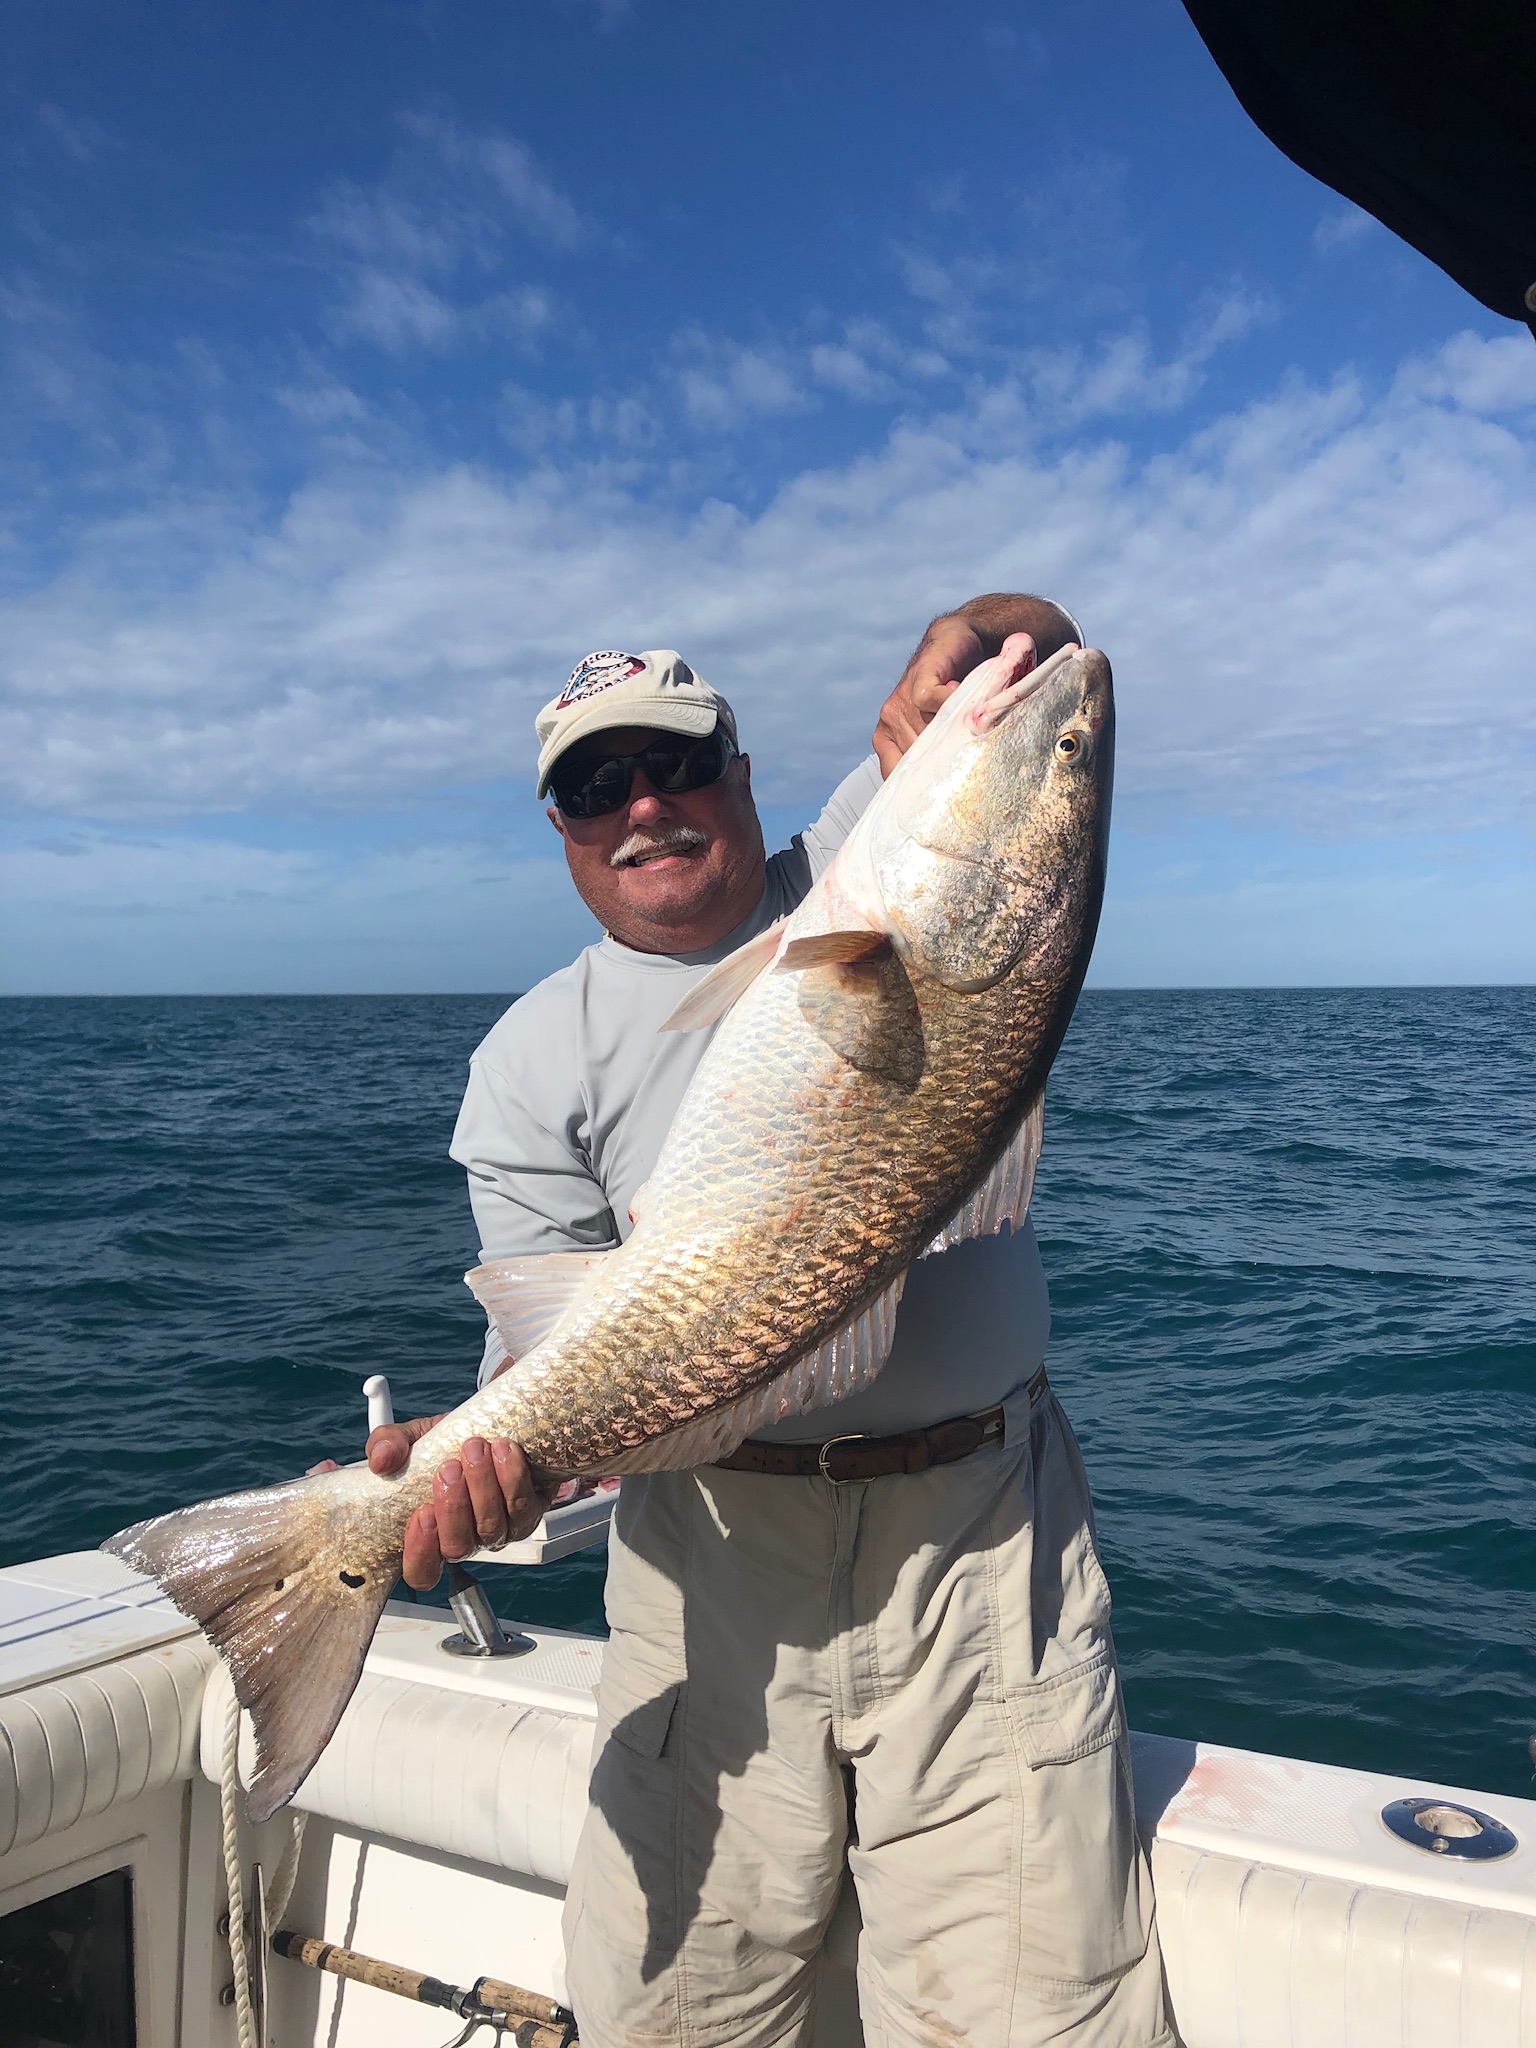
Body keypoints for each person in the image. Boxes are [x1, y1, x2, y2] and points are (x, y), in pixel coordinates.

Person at [363, 598, 1172, 2048]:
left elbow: (1047, 645)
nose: (643, 805)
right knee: (678, 2014)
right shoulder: (528, 1063)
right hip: (705, 1567)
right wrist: (487, 1467)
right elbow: (551, 1368)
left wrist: (985, 637)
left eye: (677, 764)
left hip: (981, 1556)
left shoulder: (864, 870)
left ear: (740, 772)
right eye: (596, 784)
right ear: (560, 828)